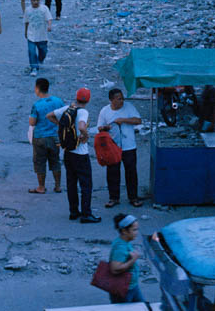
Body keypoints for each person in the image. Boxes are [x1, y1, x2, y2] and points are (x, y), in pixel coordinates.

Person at [49, 87, 99, 222]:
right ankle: (86, 214)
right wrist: (85, 135)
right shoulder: (83, 112)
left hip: (68, 152)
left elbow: (50, 115)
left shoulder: (67, 109)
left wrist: (63, 126)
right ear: (88, 100)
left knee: (71, 183)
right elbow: (82, 126)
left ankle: (74, 211)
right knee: (86, 184)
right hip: (81, 153)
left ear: (76, 97)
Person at [97, 86, 142, 207]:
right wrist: (105, 128)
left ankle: (133, 197)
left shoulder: (129, 107)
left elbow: (138, 120)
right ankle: (113, 198)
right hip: (113, 147)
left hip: (129, 146)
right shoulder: (105, 111)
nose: (122, 101)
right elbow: (99, 127)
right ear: (112, 100)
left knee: (131, 172)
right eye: (119, 99)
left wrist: (124, 120)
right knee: (112, 172)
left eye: (122, 98)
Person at [28, 77, 65, 195]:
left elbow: (32, 122)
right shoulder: (58, 101)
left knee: (40, 162)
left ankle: (41, 187)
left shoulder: (37, 105)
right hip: (55, 136)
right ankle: (58, 186)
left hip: (40, 137)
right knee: (55, 160)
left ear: (38, 89)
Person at [107, 213, 143, 304]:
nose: (137, 232)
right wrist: (133, 260)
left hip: (131, 286)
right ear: (124, 231)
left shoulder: (125, 241)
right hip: (123, 289)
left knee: (141, 307)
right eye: (134, 230)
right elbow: (115, 269)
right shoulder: (120, 247)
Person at [24, 0, 52, 72]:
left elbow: (49, 18)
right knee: (31, 51)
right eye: (34, 0)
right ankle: (34, 68)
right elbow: (26, 22)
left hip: (42, 35)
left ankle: (40, 60)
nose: (35, 2)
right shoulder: (27, 10)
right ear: (31, 1)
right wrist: (25, 32)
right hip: (31, 34)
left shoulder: (44, 8)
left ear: (39, 0)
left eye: (37, 0)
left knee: (43, 51)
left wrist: (49, 26)